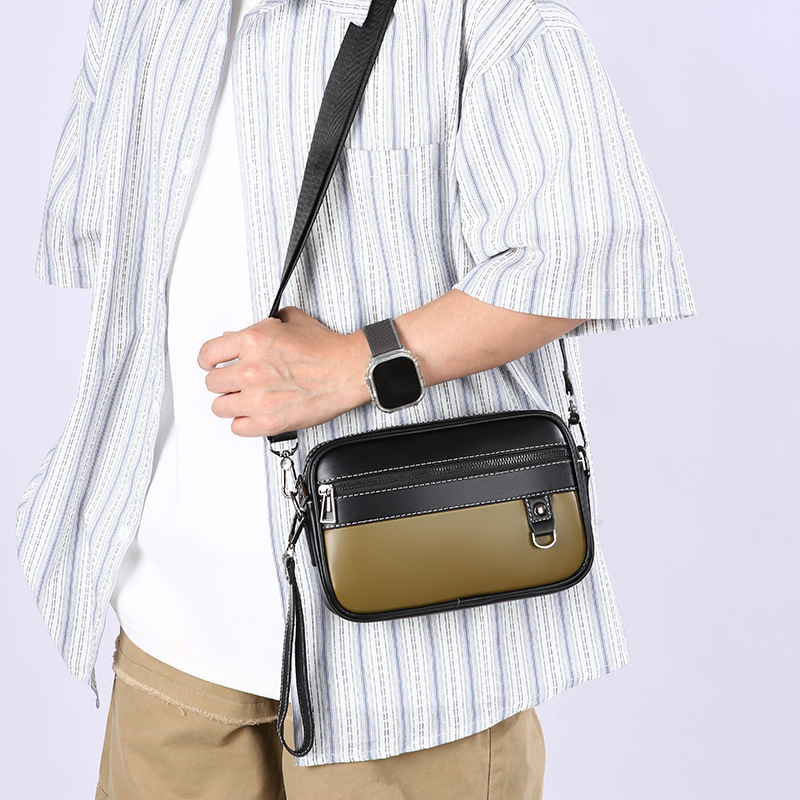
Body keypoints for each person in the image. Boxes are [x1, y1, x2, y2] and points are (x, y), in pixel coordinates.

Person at [17, 0, 696, 797]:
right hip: (170, 632)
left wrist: (354, 364)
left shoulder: (482, 13)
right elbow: (111, 261)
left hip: (413, 656)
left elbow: (585, 256)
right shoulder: (140, 12)